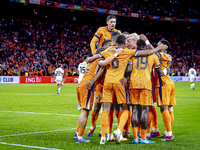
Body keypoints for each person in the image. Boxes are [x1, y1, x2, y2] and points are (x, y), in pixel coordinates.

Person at [96, 34, 167, 145]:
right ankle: (140, 135)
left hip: (119, 83)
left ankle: (108, 135)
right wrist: (158, 48)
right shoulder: (130, 53)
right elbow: (151, 57)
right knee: (141, 109)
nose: (128, 43)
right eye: (127, 41)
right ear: (124, 43)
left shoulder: (112, 51)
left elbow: (95, 58)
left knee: (127, 109)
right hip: (140, 84)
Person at [74, 47, 123, 143]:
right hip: (87, 86)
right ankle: (79, 137)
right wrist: (93, 81)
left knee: (84, 111)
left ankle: (78, 134)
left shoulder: (90, 61)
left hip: (80, 85)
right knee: (85, 112)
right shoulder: (100, 60)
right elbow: (101, 68)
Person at [127, 39, 165, 144]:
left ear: (137, 46)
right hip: (146, 85)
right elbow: (159, 71)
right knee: (144, 110)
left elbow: (128, 69)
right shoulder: (153, 56)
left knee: (134, 109)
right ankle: (143, 138)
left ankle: (135, 138)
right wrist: (165, 71)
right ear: (145, 46)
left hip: (133, 84)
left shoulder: (132, 56)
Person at [87, 40, 112, 138]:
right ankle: (92, 126)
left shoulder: (113, 55)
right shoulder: (101, 57)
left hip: (109, 86)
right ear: (105, 46)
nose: (112, 47)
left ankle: (103, 131)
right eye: (110, 45)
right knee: (96, 107)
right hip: (100, 86)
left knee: (108, 109)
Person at [156, 39, 176, 141]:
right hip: (170, 82)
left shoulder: (162, 54)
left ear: (165, 46)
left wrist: (146, 42)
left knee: (164, 108)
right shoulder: (168, 56)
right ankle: (168, 131)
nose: (158, 45)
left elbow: (154, 51)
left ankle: (169, 133)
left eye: (160, 43)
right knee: (170, 109)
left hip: (163, 83)